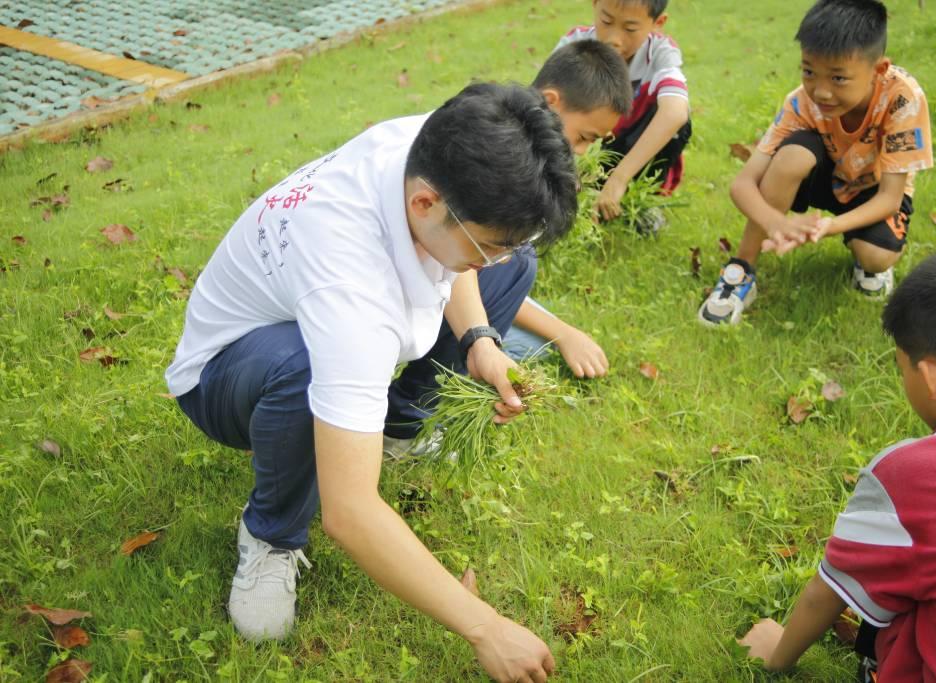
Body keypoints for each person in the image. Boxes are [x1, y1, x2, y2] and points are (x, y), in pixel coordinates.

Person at [164, 82, 578, 682]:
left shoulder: (439, 145)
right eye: (486, 245)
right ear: (425, 204)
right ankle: (271, 535)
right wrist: (485, 627)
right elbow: (351, 511)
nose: (488, 258)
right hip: (227, 374)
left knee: (514, 269)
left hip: (322, 327)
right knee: (305, 367)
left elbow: (454, 252)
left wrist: (479, 342)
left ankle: (393, 430)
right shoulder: (348, 285)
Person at [739, 248, 936, 681]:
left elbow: (827, 592)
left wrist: (777, 654)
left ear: (931, 378)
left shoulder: (909, 475)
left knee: (889, 615)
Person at [383, 41, 633, 454]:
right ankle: (403, 421)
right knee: (517, 277)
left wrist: (482, 339)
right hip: (395, 286)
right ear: (552, 103)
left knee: (521, 332)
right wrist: (560, 332)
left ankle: (428, 394)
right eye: (585, 137)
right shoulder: (479, 160)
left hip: (440, 276)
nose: (584, 152)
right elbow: (471, 262)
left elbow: (475, 265)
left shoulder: (515, 149)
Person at [698, 0, 933, 326]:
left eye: (838, 78)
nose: (820, 92)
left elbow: (890, 199)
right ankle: (740, 272)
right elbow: (742, 184)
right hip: (825, 178)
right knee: (791, 156)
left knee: (876, 257)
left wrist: (828, 227)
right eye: (809, 71)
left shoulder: (903, 100)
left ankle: (865, 261)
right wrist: (774, 222)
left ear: (878, 69)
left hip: (873, 189)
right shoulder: (800, 103)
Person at [557, 0, 692, 234]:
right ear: (594, 4)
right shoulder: (575, 45)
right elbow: (545, 109)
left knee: (680, 124)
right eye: (606, 21)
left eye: (630, 29)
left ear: (657, 23)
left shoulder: (660, 53)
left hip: (630, 150)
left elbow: (675, 112)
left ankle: (639, 206)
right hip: (584, 151)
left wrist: (619, 178)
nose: (614, 39)